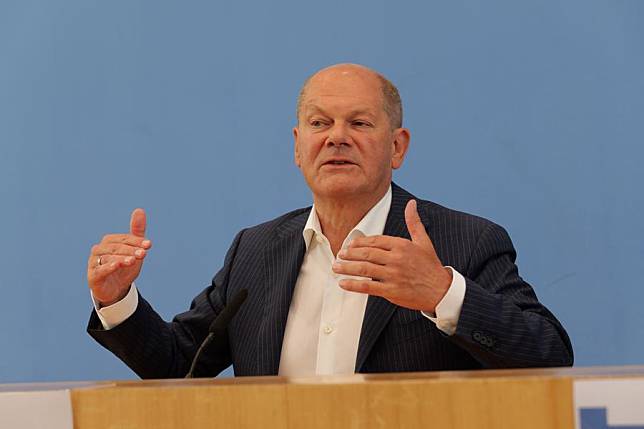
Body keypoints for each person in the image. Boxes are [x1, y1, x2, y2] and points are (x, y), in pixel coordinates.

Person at [87, 64, 573, 378]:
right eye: (320, 124)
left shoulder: (464, 241)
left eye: (359, 123)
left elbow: (549, 357)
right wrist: (117, 299)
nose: (336, 138)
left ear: (398, 146)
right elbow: (180, 364)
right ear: (298, 147)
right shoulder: (255, 251)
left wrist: (442, 292)